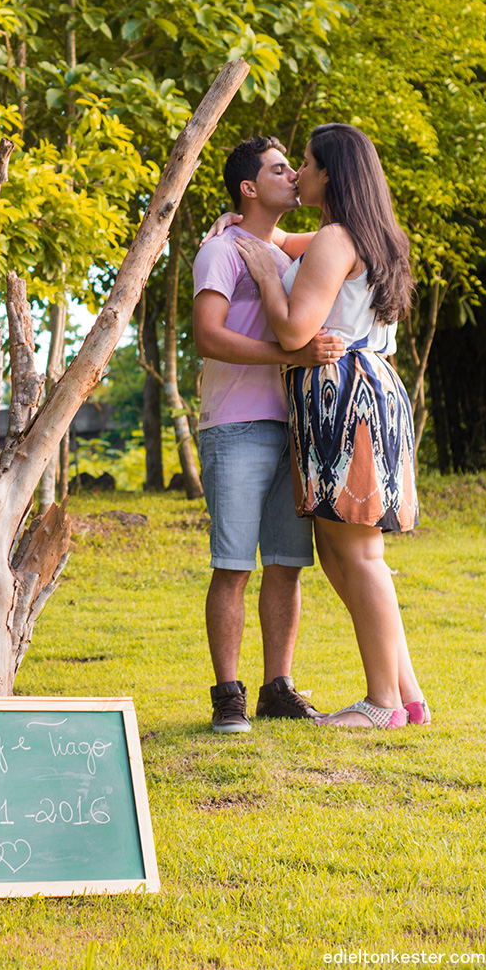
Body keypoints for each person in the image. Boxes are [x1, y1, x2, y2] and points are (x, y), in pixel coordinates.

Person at [231, 123, 429, 729]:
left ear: (333, 176)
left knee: (359, 552)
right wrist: (245, 233)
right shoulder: (367, 235)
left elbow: (294, 332)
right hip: (367, 387)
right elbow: (292, 241)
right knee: (343, 548)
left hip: (341, 394)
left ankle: (382, 706)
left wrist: (266, 277)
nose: (301, 175)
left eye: (310, 165)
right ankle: (406, 694)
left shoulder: (336, 238)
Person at [192, 136, 346, 733]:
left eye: (296, 167)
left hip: (294, 429)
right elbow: (208, 336)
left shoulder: (285, 253)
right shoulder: (221, 251)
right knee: (233, 565)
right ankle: (227, 695)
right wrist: (292, 357)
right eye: (281, 170)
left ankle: (276, 687)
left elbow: (348, 234)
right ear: (249, 188)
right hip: (235, 427)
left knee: (286, 564)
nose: (294, 176)